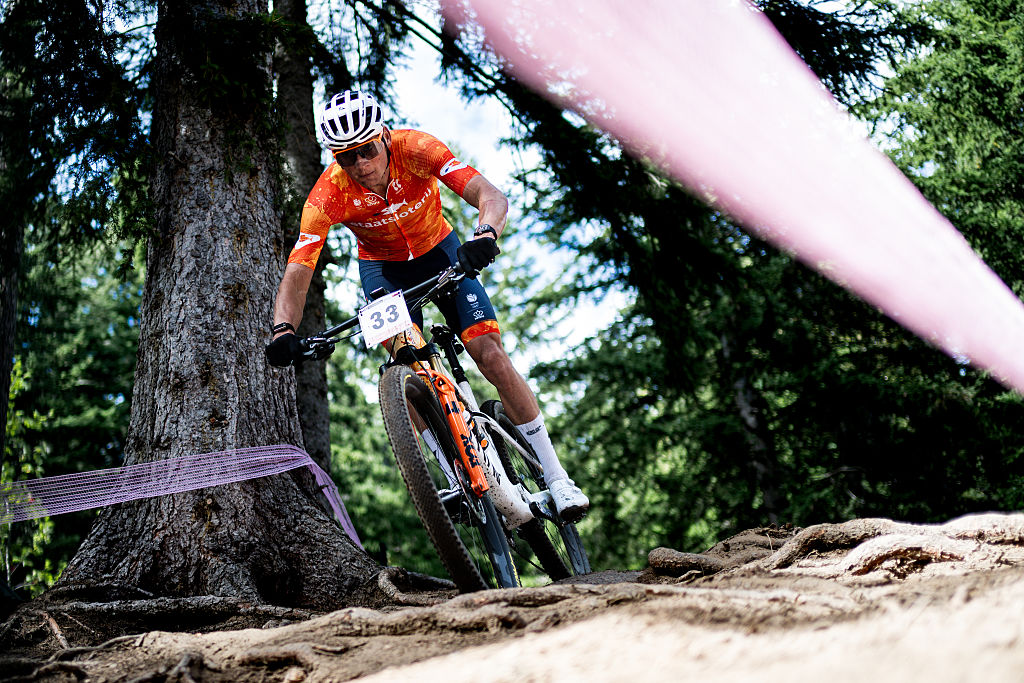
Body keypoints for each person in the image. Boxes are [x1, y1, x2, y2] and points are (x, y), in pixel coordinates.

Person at [266, 90, 589, 522]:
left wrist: (485, 234)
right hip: (384, 271)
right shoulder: (328, 195)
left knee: (490, 355)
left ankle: (557, 476)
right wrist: (283, 329)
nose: (361, 165)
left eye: (366, 151)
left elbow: (490, 196)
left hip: (442, 251)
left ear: (383, 136)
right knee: (405, 368)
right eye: (347, 158)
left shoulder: (417, 149)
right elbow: (299, 270)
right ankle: (455, 476)